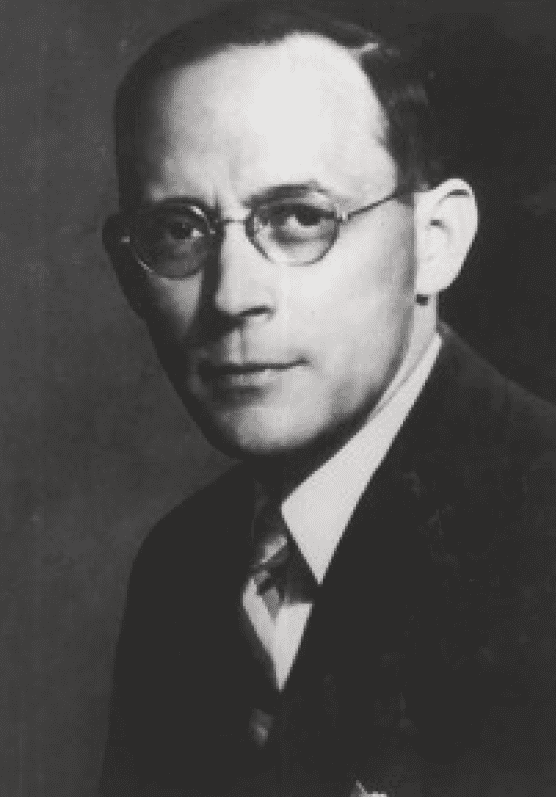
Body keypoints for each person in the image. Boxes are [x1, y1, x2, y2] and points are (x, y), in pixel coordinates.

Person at [98, 2, 556, 795]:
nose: (233, 295)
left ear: (436, 241)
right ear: (128, 273)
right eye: (179, 229)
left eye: (301, 218)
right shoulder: (182, 565)